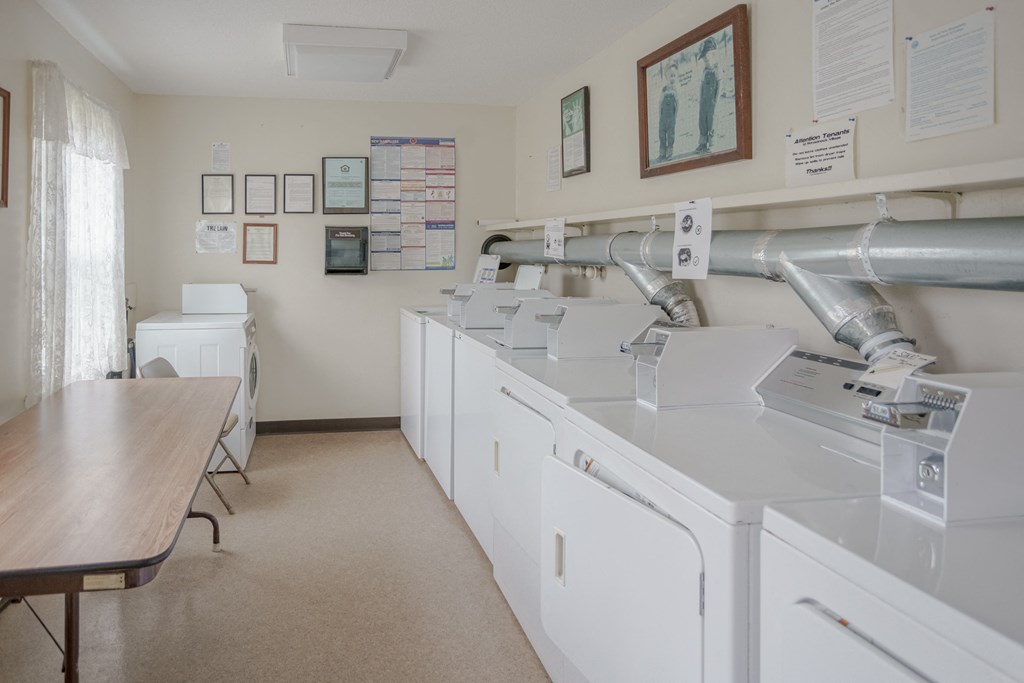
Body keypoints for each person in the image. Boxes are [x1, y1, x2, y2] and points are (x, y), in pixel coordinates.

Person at [695, 37, 719, 155]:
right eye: (705, 61)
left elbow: (720, 86)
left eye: (708, 60)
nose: (707, 63)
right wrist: (700, 99)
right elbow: (701, 85)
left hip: (712, 101)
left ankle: (711, 143)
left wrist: (716, 100)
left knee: (711, 121)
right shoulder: (705, 71)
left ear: (714, 56)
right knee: (702, 121)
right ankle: (702, 143)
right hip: (703, 101)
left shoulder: (717, 71)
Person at [657, 61, 679, 162]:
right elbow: (660, 103)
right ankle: (662, 153)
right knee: (662, 134)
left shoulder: (676, 90)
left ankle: (670, 153)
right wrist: (659, 115)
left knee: (670, 135)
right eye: (670, 76)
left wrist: (675, 116)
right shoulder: (664, 90)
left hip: (671, 117)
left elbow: (677, 103)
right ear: (666, 77)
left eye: (674, 76)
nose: (672, 78)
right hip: (663, 117)